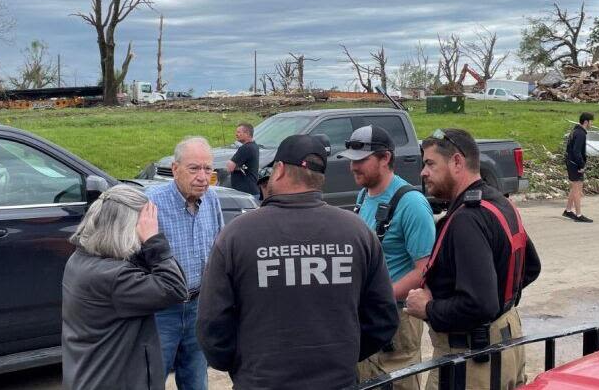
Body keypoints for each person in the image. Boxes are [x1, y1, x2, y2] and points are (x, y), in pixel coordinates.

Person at [196, 134, 399, 390]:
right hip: (336, 382)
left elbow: (212, 324)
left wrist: (240, 365)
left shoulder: (236, 235)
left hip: (260, 382)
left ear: (279, 170)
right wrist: (342, 356)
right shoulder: (357, 233)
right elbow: (383, 317)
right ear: (320, 179)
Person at [405, 128, 541, 390]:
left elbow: (479, 305)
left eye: (430, 164)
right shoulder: (500, 203)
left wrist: (428, 308)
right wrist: (502, 302)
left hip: (471, 363)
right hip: (507, 345)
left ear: (457, 162)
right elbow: (531, 267)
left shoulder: (467, 219)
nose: (423, 172)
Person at [62, 185, 187, 390]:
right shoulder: (116, 277)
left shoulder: (80, 259)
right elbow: (175, 288)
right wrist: (153, 242)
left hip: (89, 377)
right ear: (125, 229)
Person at [339, 125, 436, 389]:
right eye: (351, 161)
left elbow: (424, 269)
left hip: (397, 321)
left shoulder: (411, 203)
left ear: (385, 158)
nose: (353, 167)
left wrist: (382, 295)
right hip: (367, 315)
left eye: (361, 161)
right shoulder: (364, 195)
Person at [146, 137, 224, 390]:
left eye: (208, 169)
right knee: (151, 378)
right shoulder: (151, 203)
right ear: (175, 168)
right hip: (162, 311)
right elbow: (136, 259)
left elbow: (218, 251)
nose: (203, 177)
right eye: (194, 168)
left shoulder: (211, 200)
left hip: (198, 308)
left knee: (196, 379)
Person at [564, 112, 594, 223]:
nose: (592, 124)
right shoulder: (581, 133)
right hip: (574, 164)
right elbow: (576, 151)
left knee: (575, 188)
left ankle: (568, 210)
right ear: (586, 122)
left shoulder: (575, 131)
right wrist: (581, 165)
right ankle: (578, 214)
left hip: (571, 162)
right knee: (577, 189)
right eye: (591, 121)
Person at [226, 122, 260, 196]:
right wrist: (238, 167)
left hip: (245, 193)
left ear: (247, 133)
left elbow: (229, 167)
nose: (236, 134)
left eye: (238, 132)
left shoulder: (245, 148)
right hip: (252, 190)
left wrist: (233, 164)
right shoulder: (254, 146)